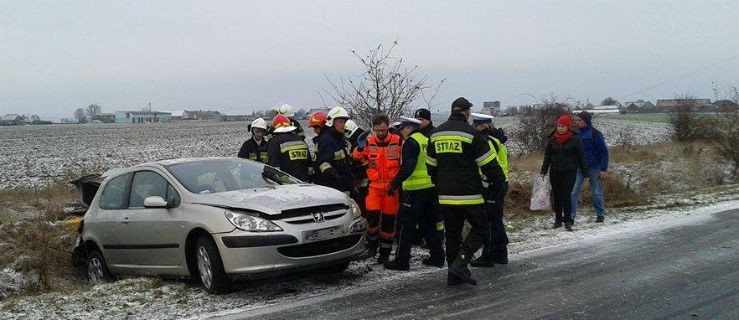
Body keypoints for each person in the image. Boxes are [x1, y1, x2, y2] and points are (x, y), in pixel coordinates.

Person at [426, 97, 505, 286]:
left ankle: (453, 275)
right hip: (470, 194)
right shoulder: (471, 134)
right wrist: (499, 183)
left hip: (445, 195)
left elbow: (431, 167)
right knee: (483, 229)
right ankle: (461, 263)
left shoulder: (436, 134)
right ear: (467, 113)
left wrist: (440, 184)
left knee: (452, 234)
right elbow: (488, 164)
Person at [384, 116, 445, 271]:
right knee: (429, 225)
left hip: (413, 191)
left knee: (404, 227)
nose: (401, 132)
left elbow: (408, 166)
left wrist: (394, 184)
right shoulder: (425, 140)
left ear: (409, 128)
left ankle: (401, 261)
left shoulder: (411, 142)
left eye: (403, 128)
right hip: (429, 189)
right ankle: (438, 257)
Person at [352, 114, 402, 264]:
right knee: (372, 219)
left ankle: (385, 253)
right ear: (374, 129)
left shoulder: (398, 141)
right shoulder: (369, 142)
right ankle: (372, 247)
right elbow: (356, 159)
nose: (380, 133)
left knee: (388, 223)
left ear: (388, 127)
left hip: (391, 188)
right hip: (374, 187)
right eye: (377, 130)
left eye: (383, 130)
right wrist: (360, 148)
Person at [469, 113, 510, 267]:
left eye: (476, 125)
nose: (474, 128)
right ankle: (501, 254)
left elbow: (489, 164)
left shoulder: (487, 141)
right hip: (500, 183)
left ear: (484, 126)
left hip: (493, 184)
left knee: (491, 221)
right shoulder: (497, 139)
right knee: (496, 220)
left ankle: (489, 255)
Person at [540, 115, 589, 232]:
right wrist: (543, 170)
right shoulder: (553, 139)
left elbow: (581, 156)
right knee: (557, 196)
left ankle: (568, 220)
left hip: (570, 171)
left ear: (568, 127)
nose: (560, 128)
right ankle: (557, 220)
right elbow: (547, 156)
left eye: (562, 126)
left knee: (566, 195)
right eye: (558, 126)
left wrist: (585, 173)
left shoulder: (575, 139)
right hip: (555, 171)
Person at [570, 111, 609, 223]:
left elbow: (603, 152)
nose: (577, 122)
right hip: (579, 167)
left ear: (586, 121)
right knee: (573, 191)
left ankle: (600, 214)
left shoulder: (595, 134)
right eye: (577, 120)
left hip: (593, 167)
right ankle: (571, 217)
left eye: (579, 120)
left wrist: (603, 169)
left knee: (596, 191)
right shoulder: (575, 134)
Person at [414, 108, 445, 241]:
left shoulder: (435, 134)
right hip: (420, 183)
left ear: (429, 120)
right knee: (421, 213)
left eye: (421, 120)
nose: (419, 122)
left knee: (436, 213)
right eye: (417, 120)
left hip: (434, 180)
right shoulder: (415, 134)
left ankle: (439, 236)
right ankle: (421, 236)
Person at [315, 107, 355, 194]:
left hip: (343, 186)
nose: (343, 125)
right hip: (333, 188)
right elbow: (323, 164)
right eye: (340, 122)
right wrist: (337, 177)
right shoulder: (327, 140)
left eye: (344, 122)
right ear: (331, 122)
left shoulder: (338, 138)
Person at [267, 114, 311, 181]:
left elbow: (274, 167)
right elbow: (310, 164)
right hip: (304, 183)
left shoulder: (275, 142)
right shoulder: (300, 140)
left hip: (287, 184)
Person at [345, 119, 369, 217]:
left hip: (363, 177)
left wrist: (349, 158)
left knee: (363, 202)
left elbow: (356, 159)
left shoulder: (359, 143)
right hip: (364, 177)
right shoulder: (360, 140)